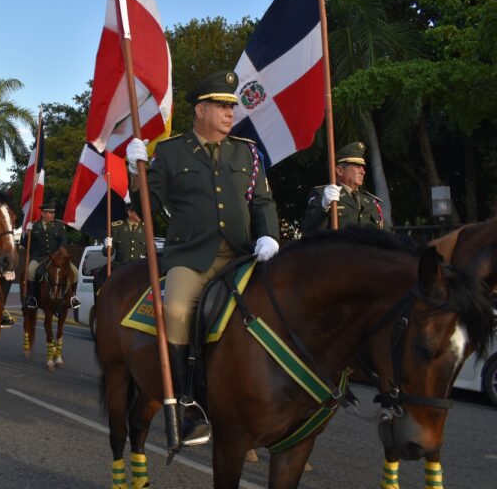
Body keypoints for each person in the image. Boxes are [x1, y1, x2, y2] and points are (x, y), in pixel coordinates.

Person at [126, 70, 280, 447]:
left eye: (231, 106)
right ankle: (188, 402)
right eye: (221, 106)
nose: (230, 113)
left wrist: (269, 236)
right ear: (200, 110)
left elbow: (262, 201)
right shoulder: (171, 151)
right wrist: (136, 173)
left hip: (243, 255)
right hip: (192, 256)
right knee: (177, 312)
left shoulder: (247, 152)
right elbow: (148, 207)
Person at [302, 141, 385, 235]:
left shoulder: (369, 201)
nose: (363, 172)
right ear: (339, 171)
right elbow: (308, 232)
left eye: (363, 167)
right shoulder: (323, 194)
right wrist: (323, 207)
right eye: (357, 166)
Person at [21, 202, 81, 310]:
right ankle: (32, 298)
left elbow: (63, 241)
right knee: (30, 272)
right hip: (39, 258)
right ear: (43, 213)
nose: (53, 215)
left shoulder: (59, 225)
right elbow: (26, 245)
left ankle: (73, 297)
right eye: (50, 213)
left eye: (53, 213)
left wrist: (61, 253)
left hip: (56, 258)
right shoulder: (35, 225)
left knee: (75, 273)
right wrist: (26, 233)